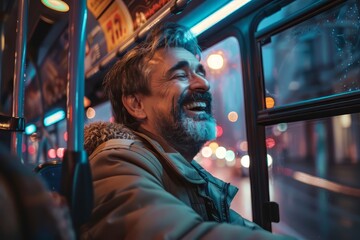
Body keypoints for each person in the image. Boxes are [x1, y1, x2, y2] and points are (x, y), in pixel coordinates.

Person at [81, 22, 295, 240]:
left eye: (200, 73)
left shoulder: (185, 170)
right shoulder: (115, 164)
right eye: (180, 75)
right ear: (136, 104)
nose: (203, 83)